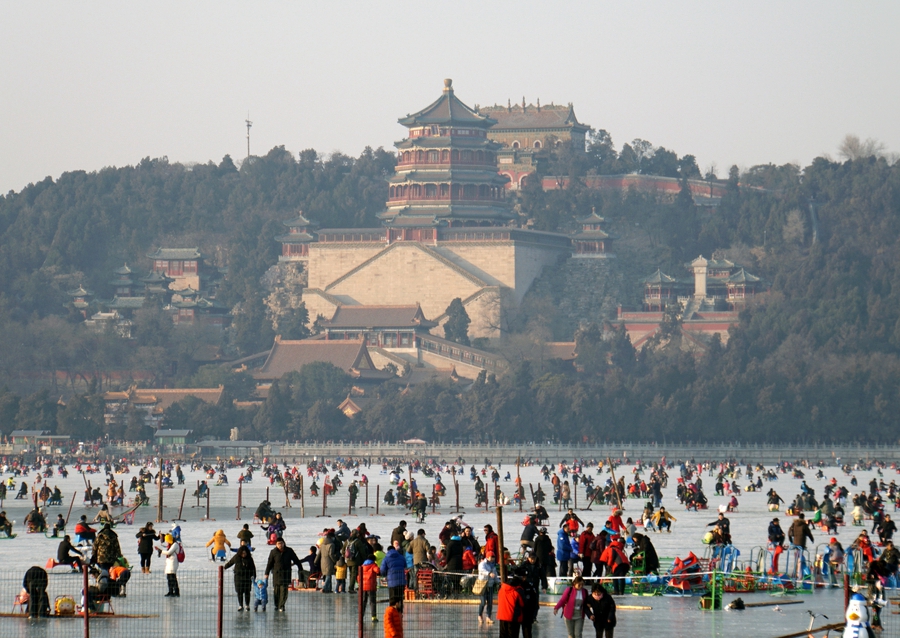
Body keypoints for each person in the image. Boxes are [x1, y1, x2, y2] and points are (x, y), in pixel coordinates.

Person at [264, 537, 303, 612]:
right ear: (276, 544)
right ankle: (277, 605)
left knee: (284, 590)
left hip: (286, 574)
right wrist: (267, 573)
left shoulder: (289, 551)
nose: (280, 545)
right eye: (278, 544)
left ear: (284, 543)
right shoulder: (273, 552)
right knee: (276, 591)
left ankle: (281, 605)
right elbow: (270, 563)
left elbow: (296, 560)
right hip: (277, 574)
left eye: (281, 543)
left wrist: (300, 568)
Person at [224, 544, 256, 611]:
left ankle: (247, 605)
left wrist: (254, 576)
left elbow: (253, 568)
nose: (244, 554)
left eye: (245, 553)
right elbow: (230, 563)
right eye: (242, 553)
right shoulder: (236, 557)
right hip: (238, 577)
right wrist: (224, 567)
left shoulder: (250, 559)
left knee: (247, 592)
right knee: (239, 592)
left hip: (247, 578)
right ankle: (240, 605)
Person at [382, 542, 408, 611]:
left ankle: (393, 614)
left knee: (392, 599)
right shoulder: (401, 557)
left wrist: (385, 574)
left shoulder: (386, 558)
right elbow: (405, 566)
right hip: (401, 582)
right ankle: (400, 615)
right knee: (400, 599)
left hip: (392, 583)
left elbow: (382, 570)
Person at [499, 574, 525, 638]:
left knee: (503, 634)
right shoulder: (518, 591)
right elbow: (523, 604)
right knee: (512, 634)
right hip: (513, 617)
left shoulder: (502, 589)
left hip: (502, 615)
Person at [477, 551, 500, 625]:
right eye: (491, 557)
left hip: (490, 586)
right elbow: (482, 571)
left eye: (493, 557)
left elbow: (495, 575)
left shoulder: (493, 566)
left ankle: (488, 616)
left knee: (490, 602)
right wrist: (489, 573)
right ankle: (480, 615)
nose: (492, 559)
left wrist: (499, 582)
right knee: (483, 602)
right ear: (487, 557)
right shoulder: (482, 564)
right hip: (483, 586)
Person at [362, 557, 380, 621]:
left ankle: (361, 616)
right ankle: (373, 617)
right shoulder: (373, 565)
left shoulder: (362, 566)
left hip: (363, 587)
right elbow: (378, 570)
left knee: (363, 602)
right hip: (371, 586)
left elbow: (358, 576)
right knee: (372, 602)